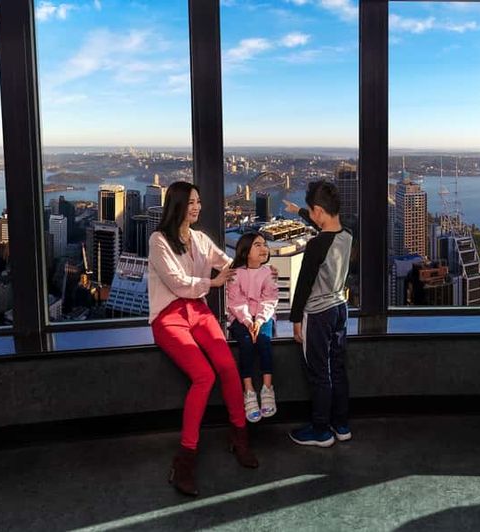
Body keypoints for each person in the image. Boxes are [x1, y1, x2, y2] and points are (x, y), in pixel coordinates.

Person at [148, 181, 258, 497]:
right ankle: (184, 459)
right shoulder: (158, 241)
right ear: (177, 205)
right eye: (191, 202)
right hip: (168, 316)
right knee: (204, 376)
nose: (197, 207)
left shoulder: (199, 238)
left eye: (198, 201)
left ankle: (239, 437)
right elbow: (177, 282)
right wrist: (213, 282)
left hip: (197, 310)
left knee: (227, 367)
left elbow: (227, 264)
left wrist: (255, 268)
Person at [287, 181, 353, 447]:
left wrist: (295, 320)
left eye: (311, 211)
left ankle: (320, 430)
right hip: (340, 309)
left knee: (319, 373)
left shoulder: (316, 245)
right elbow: (325, 229)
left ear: (319, 211)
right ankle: (341, 425)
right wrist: (299, 212)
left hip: (318, 314)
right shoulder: (347, 235)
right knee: (337, 368)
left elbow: (303, 285)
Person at [226, 231, 279, 423]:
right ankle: (248, 389)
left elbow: (270, 299)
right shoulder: (235, 274)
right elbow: (236, 302)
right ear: (245, 251)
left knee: (264, 341)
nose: (264, 248)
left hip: (263, 317)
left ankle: (267, 387)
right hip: (240, 318)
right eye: (257, 245)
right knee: (246, 343)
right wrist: (249, 321)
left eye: (265, 244)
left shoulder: (269, 273)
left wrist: (259, 320)